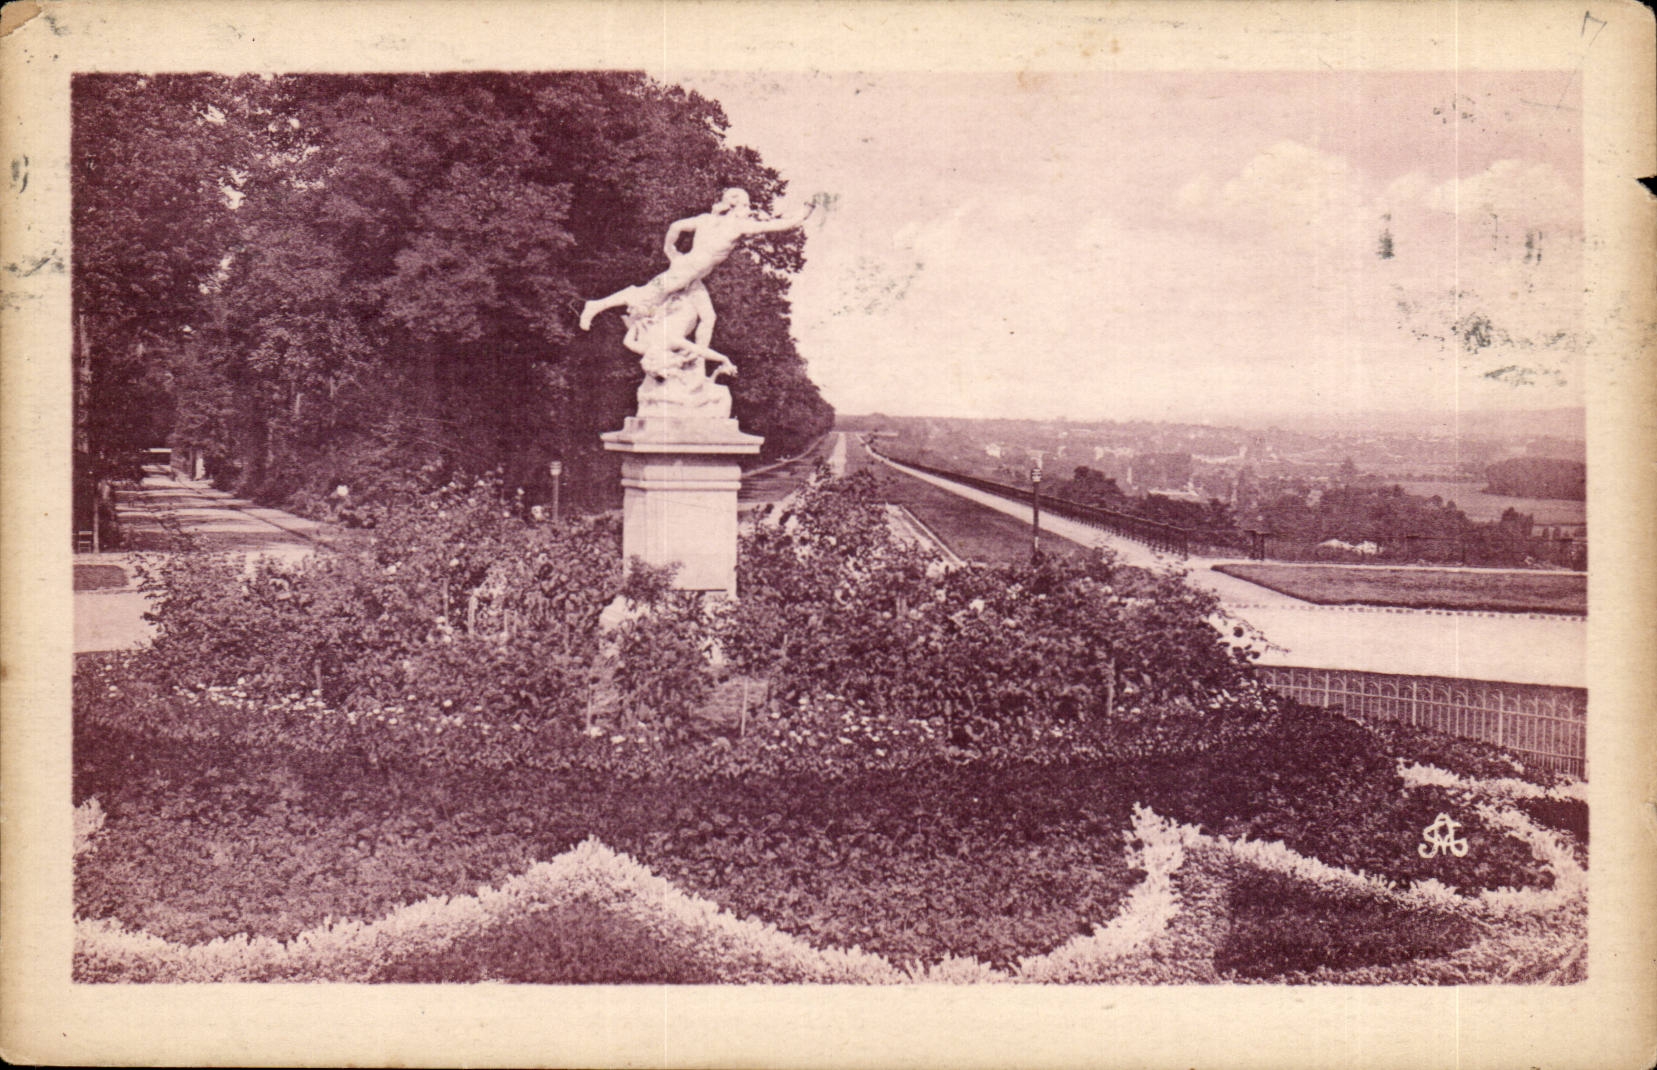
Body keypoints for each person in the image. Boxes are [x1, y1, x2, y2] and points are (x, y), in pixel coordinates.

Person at [579, 188, 817, 348]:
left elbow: (676, 226)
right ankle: (595, 306)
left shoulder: (705, 220)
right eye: (747, 205)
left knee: (708, 317)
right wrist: (806, 211)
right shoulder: (738, 226)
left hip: (690, 275)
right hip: (684, 273)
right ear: (737, 206)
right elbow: (781, 225)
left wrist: (670, 249)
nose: (749, 210)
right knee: (643, 295)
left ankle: (696, 360)